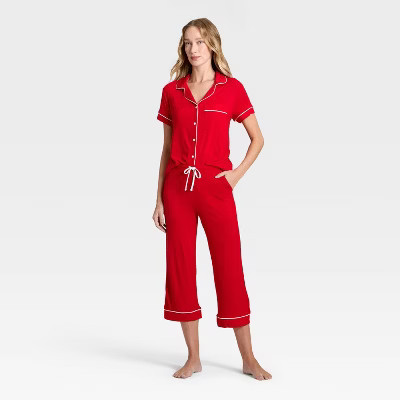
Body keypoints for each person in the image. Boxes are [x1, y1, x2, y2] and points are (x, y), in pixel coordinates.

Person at [152, 18, 272, 381]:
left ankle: (248, 358)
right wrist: (159, 200)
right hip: (178, 190)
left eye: (200, 42)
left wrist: (234, 176)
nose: (193, 49)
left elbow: (258, 139)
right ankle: (193, 358)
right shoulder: (172, 91)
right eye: (188, 43)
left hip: (216, 189)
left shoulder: (231, 89)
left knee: (229, 266)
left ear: (213, 45)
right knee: (180, 269)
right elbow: (167, 149)